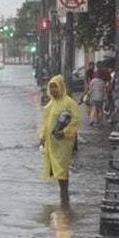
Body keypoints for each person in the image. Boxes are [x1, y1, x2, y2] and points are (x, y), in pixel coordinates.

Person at [39, 75, 82, 208]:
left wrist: (64, 132)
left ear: (61, 87)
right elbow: (46, 123)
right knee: (56, 168)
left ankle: (64, 195)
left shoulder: (69, 103)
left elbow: (76, 120)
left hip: (64, 142)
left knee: (62, 168)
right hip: (52, 142)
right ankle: (63, 196)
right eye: (51, 88)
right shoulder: (51, 103)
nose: (53, 91)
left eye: (55, 87)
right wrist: (42, 138)